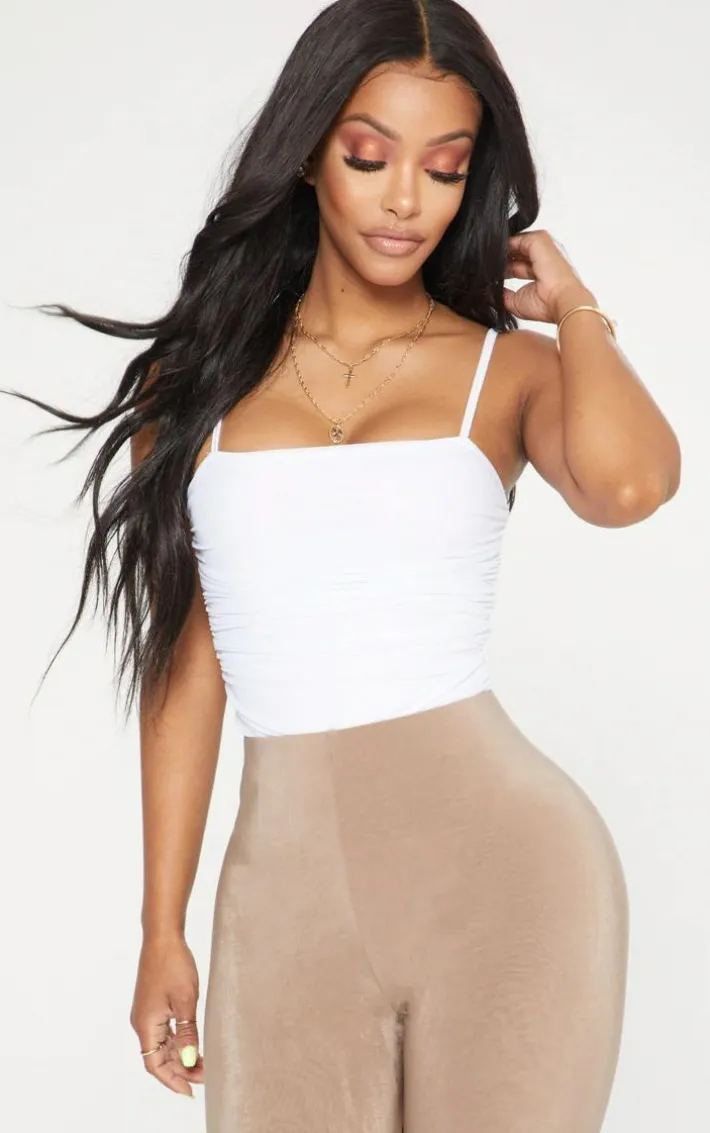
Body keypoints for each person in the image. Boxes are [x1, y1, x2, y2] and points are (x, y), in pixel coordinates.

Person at [9, 1, 681, 1130]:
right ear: (310, 152)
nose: (406, 198)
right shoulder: (195, 390)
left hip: (510, 884)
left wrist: (575, 308)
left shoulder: (507, 372)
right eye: (370, 156)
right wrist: (161, 924)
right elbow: (187, 668)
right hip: (285, 901)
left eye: (445, 168)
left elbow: (631, 486)